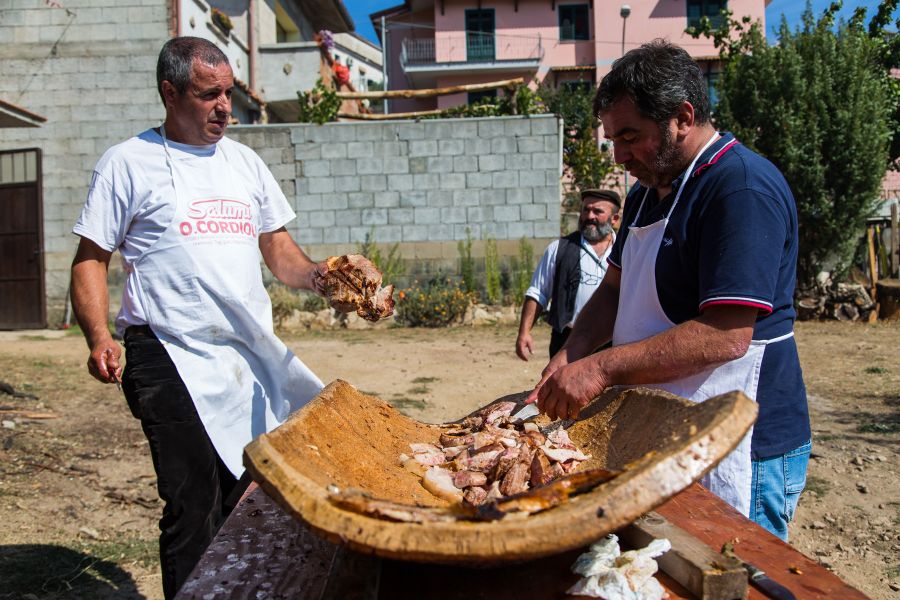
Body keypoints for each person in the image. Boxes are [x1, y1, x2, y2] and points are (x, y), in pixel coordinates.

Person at [70, 37, 327, 598]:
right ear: (170, 92)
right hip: (163, 348)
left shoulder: (245, 163)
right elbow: (90, 260)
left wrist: (321, 276)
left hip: (242, 354)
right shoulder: (127, 163)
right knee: (193, 500)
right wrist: (97, 337)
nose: (224, 107)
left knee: (247, 493)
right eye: (209, 94)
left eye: (228, 93)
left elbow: (279, 250)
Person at [527, 40, 811, 541]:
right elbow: (612, 290)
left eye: (630, 136)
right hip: (662, 426)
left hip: (738, 437)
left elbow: (724, 337)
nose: (619, 155)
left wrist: (600, 367)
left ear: (682, 115)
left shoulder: (738, 188)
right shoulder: (643, 194)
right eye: (612, 139)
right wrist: (570, 353)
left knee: (737, 568)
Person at [516, 189, 620, 360]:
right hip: (567, 342)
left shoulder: (626, 250)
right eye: (586, 210)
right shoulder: (559, 249)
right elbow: (537, 292)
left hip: (613, 343)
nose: (589, 216)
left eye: (597, 211)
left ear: (614, 219)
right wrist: (524, 332)